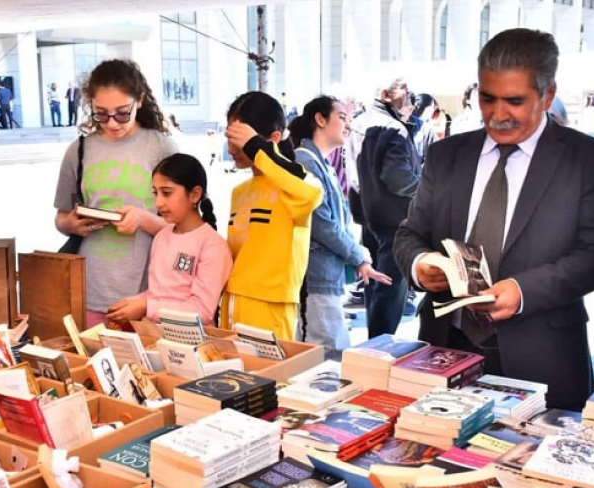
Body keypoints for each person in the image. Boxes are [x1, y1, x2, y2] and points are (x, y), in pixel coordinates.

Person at [393, 28, 594, 411]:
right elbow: (410, 234)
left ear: (548, 95)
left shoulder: (588, 161)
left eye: (515, 101)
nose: (498, 115)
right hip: (444, 351)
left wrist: (524, 290)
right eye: (488, 98)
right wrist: (421, 265)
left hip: (544, 359)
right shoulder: (446, 156)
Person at [53, 59, 177, 328]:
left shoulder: (162, 148)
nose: (112, 123)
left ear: (140, 100)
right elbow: (61, 218)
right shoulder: (79, 150)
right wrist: (72, 224)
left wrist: (143, 219)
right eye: (101, 113)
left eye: (122, 113)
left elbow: (184, 228)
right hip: (89, 289)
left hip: (146, 292)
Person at [288, 96, 390, 358]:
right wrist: (358, 255)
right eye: (342, 117)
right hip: (315, 278)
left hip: (325, 275)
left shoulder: (320, 161)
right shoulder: (305, 162)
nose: (348, 124)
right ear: (320, 120)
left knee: (330, 354)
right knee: (325, 359)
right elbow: (321, 224)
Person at [221, 91, 323, 340]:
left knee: (270, 376)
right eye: (231, 136)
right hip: (232, 299)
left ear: (273, 138)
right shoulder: (239, 191)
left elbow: (310, 193)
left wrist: (257, 147)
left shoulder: (294, 187)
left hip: (271, 304)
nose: (232, 147)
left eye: (240, 139)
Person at [106, 153, 232, 326]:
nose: (158, 203)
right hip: (153, 338)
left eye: (166, 193)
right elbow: (158, 294)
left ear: (195, 194)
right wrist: (129, 306)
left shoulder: (213, 245)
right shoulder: (162, 236)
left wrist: (146, 307)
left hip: (190, 345)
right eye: (155, 193)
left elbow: (202, 311)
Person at [352, 77, 421, 339]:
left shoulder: (359, 123)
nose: (410, 95)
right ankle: (379, 349)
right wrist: (426, 191)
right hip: (393, 222)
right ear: (386, 94)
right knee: (389, 291)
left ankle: (374, 347)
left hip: (366, 216)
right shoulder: (392, 128)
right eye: (405, 89)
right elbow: (397, 177)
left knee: (374, 286)